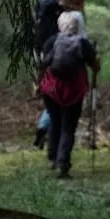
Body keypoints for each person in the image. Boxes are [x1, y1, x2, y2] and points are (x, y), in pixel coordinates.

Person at [38, 10, 99, 178]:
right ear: (76, 26)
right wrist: (95, 62)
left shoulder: (52, 41)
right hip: (74, 90)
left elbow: (42, 64)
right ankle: (63, 163)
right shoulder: (83, 43)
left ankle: (52, 157)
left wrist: (39, 84)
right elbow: (95, 66)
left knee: (55, 121)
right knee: (68, 126)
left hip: (52, 88)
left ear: (60, 25)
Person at [33, 0, 88, 149]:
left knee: (53, 96)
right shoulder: (76, 16)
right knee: (67, 101)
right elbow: (81, 39)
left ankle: (44, 127)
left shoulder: (52, 13)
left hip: (48, 58)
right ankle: (58, 146)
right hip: (70, 63)